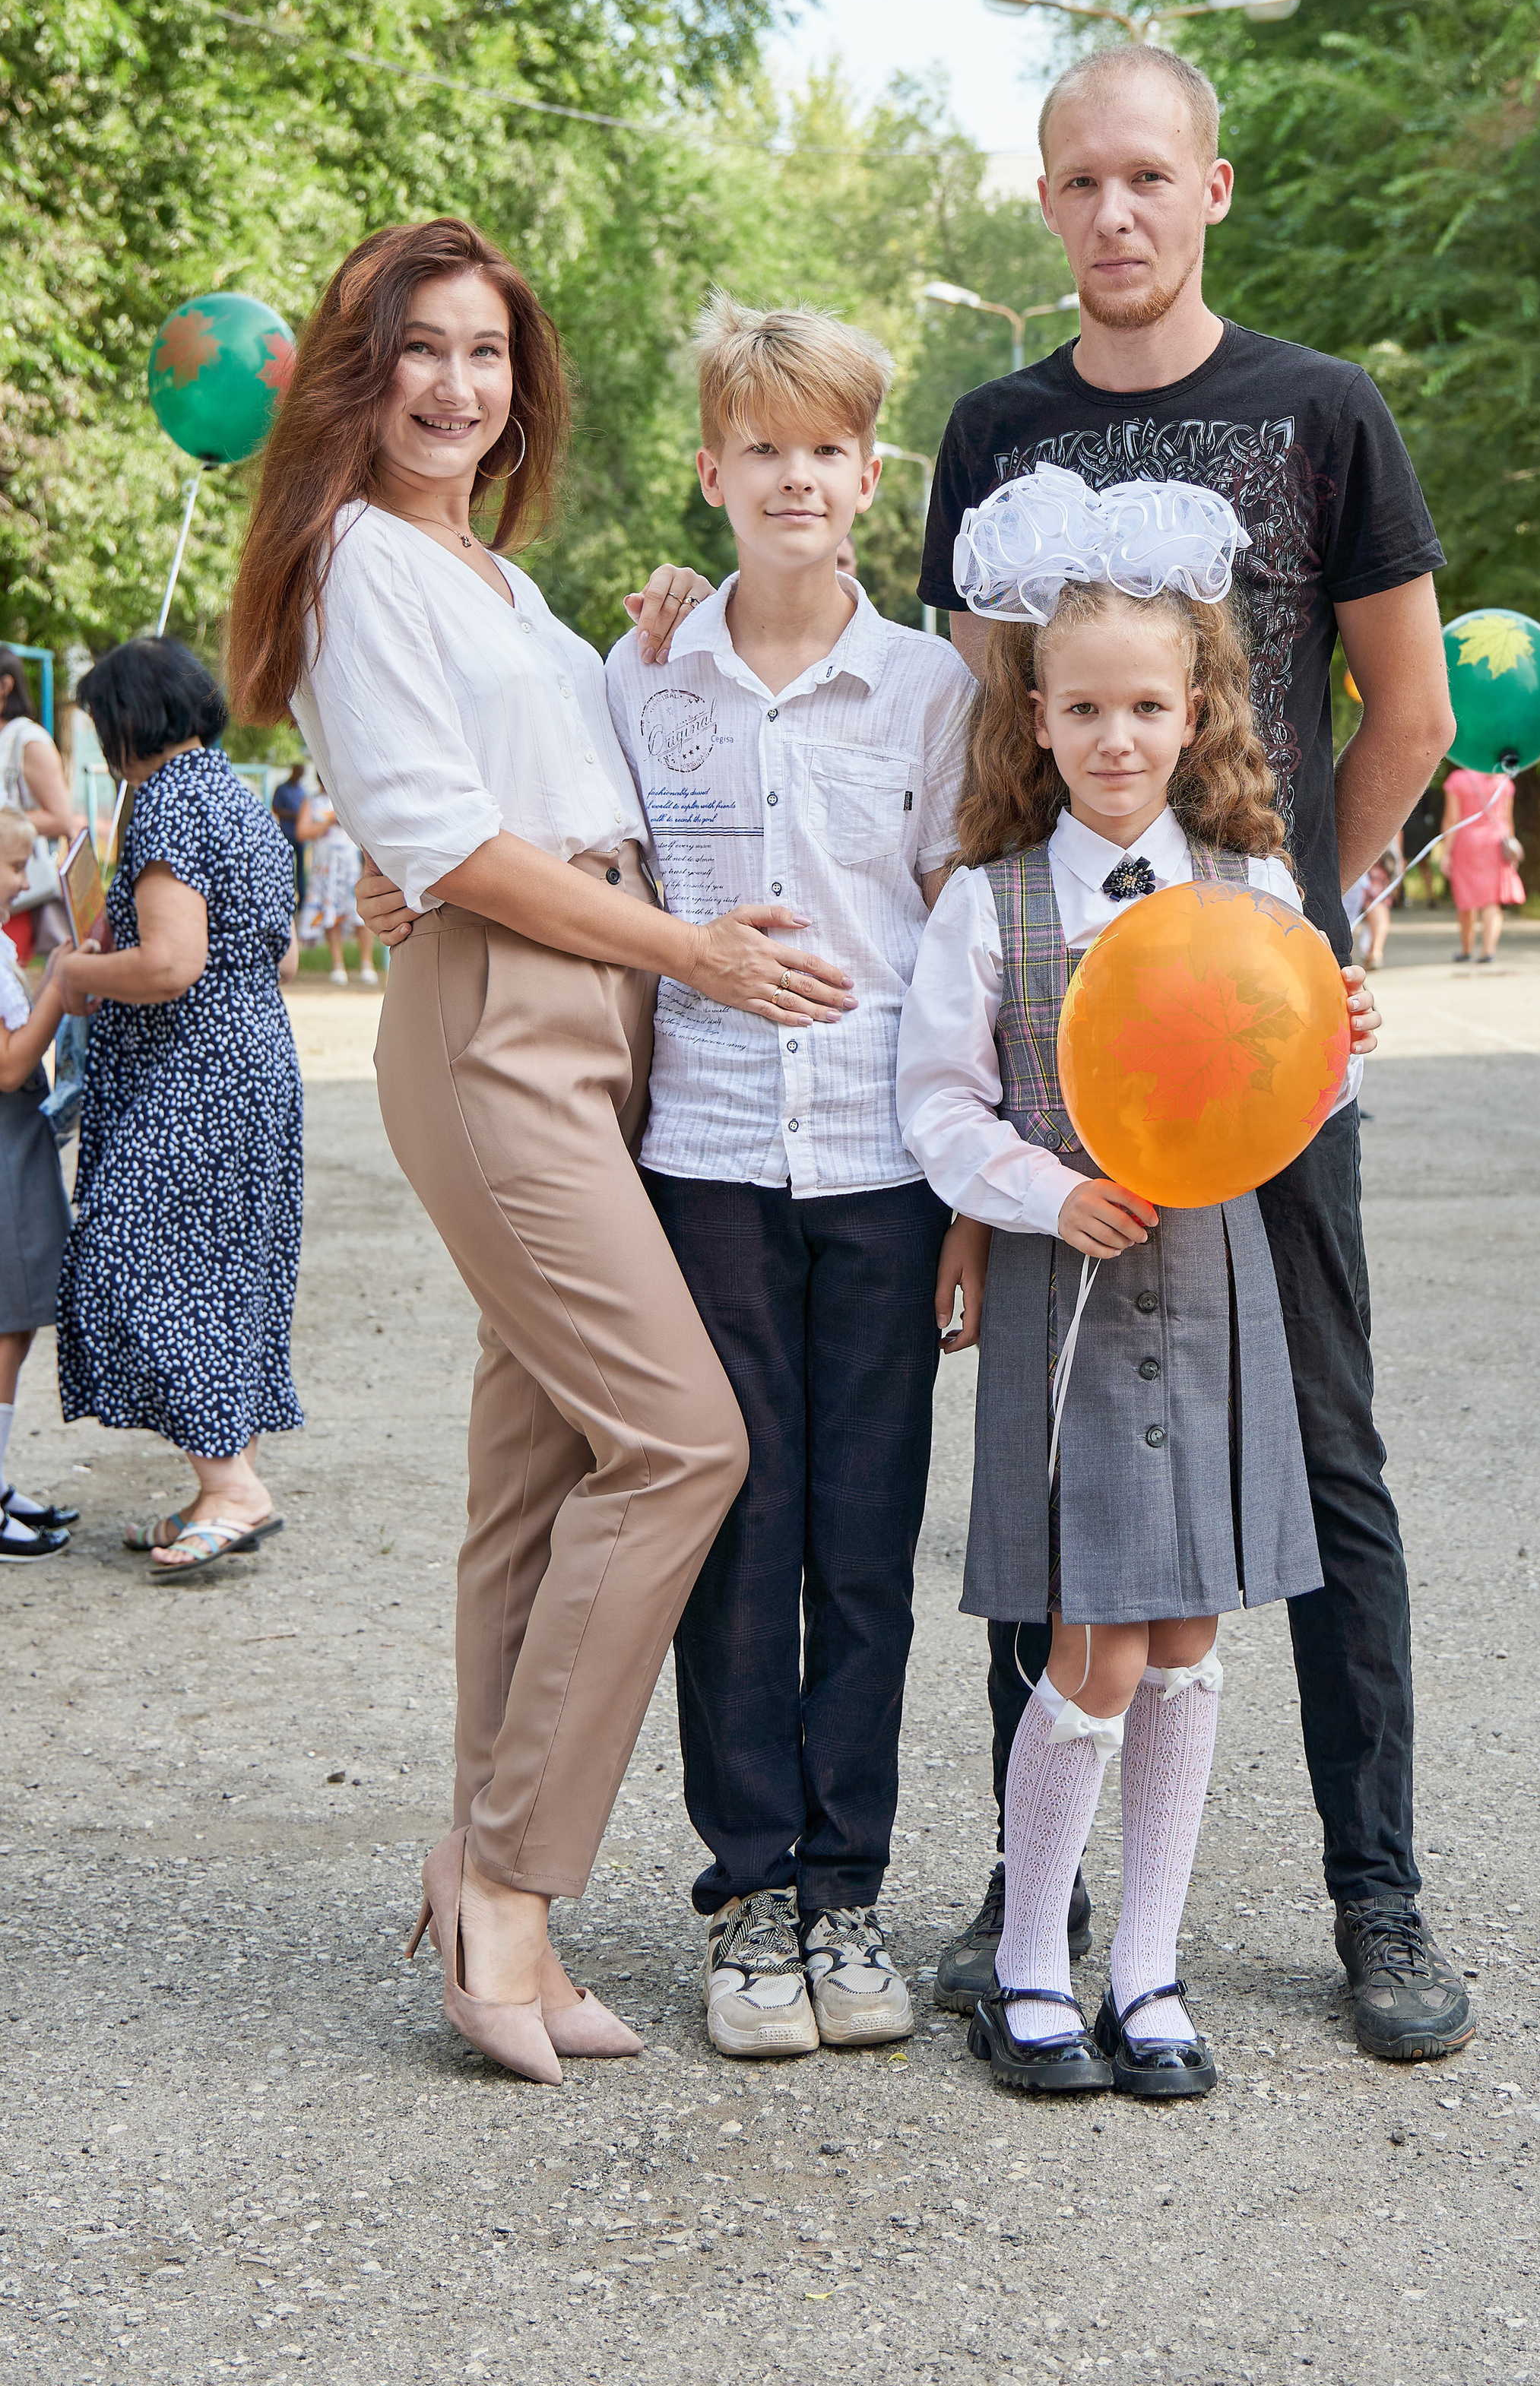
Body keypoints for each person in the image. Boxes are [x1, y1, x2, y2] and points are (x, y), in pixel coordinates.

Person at [229, 214, 855, 2090]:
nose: (453, 385)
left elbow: (578, 769)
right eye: (418, 349)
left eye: (487, 355)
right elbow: (442, 842)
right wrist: (695, 953)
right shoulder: (351, 562)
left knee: (540, 1468)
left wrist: (649, 641)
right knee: (682, 1438)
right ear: (362, 367)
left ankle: (486, 1875)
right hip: (509, 1005)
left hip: (600, 1010)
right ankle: (509, 1876)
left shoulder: (488, 576)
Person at [905, 44, 1470, 2062]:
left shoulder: (1322, 412)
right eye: (1080, 181)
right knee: (1052, 1465)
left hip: (1259, 1050)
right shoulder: (993, 431)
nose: (1115, 211)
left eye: (1149, 174)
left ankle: (1376, 1897)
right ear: (1047, 205)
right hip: (1056, 1045)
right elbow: (975, 728)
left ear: (1211, 188)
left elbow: (1403, 705)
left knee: (1321, 1453)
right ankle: (1026, 1904)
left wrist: (1315, 921)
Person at [897, 470, 1374, 2098]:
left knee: (1184, 1640)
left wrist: (1337, 1052)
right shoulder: (987, 900)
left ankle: (1148, 1971)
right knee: (1086, 1645)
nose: (1116, 738)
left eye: (1147, 708)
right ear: (1035, 718)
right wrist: (1038, 1190)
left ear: (1193, 715)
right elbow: (938, 1106)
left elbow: (1287, 1095)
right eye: (1083, 708)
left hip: (1213, 1285)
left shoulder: (1247, 895)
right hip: (1070, 1293)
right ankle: (1032, 1962)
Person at [602, 297, 980, 2061]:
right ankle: (744, 1885)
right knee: (738, 1524)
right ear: (709, 472)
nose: (795, 478)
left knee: (864, 1537)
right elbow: (587, 879)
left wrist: (973, 1194)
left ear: (867, 474)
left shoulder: (930, 688)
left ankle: (848, 1889)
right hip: (708, 1160)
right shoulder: (642, 674)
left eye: (825, 449)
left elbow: (959, 941)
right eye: (761, 448)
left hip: (883, 1171)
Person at [53, 639, 303, 1580]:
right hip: (245, 1059)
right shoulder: (231, 796)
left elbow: (169, 965)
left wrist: (79, 969)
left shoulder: (165, 803)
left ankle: (234, 1485)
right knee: (215, 1265)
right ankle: (220, 1480)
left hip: (193, 1075)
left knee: (138, 1259)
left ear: (125, 722)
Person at [0, 806, 80, 1561]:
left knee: (14, 1320)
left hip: (17, 1139)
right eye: (13, 866)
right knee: (4, 1319)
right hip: (3, 1141)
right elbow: (6, 1063)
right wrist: (59, 986)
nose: (23, 883)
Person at [0, 649, 86, 965]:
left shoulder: (29, 739)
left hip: (19, 893)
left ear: (4, 686)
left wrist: (6, 823)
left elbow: (61, 818)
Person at [1440, 767, 1523, 962]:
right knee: (1492, 901)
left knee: (1466, 898)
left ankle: (1466, 949)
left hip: (1466, 844)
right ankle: (1488, 951)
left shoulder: (1457, 779)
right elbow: (1507, 820)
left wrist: (1445, 853)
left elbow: (1452, 819)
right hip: (1495, 844)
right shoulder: (1503, 780)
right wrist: (1511, 847)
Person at [298, 794, 379, 985]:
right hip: (326, 869)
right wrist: (329, 823)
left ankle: (367, 965)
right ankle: (338, 966)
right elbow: (302, 832)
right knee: (331, 914)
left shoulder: (350, 795)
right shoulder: (312, 802)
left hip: (351, 866)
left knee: (359, 915)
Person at [1346, 838, 1402, 968]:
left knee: (1346, 899)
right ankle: (1375, 952)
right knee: (1377, 899)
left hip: (1355, 845)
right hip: (1379, 844)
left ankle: (1348, 956)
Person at [270, 760, 312, 911]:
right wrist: (296, 816)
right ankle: (285, 899)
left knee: (301, 870)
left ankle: (301, 903)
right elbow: (276, 808)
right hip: (286, 835)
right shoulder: (282, 789)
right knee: (286, 868)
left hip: (300, 836)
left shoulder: (302, 791)